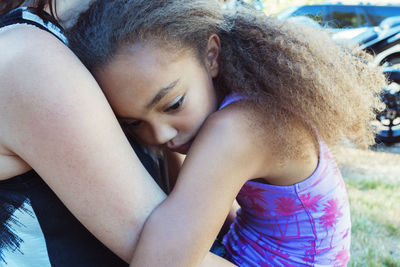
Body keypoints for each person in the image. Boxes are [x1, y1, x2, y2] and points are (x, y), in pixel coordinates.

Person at [68, 0, 387, 266]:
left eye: (173, 104)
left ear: (210, 56)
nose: (161, 134)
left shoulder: (238, 129)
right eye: (134, 122)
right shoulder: (239, 104)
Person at [0, 1, 234, 266]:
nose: (159, 135)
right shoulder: (28, 60)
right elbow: (169, 256)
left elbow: (193, 202)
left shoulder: (115, 30)